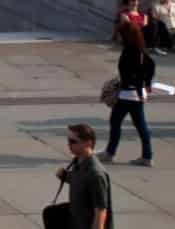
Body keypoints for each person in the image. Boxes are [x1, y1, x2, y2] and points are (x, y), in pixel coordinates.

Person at [104, 16, 154, 165]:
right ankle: (147, 155)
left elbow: (134, 74)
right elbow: (150, 66)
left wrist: (136, 86)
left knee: (115, 121)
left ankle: (110, 152)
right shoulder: (140, 51)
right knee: (141, 125)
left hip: (128, 94)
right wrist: (147, 84)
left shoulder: (128, 53)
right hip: (137, 94)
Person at [55, 122, 112, 229]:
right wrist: (66, 176)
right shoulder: (79, 163)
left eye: (73, 141)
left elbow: (100, 210)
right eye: (68, 141)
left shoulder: (96, 174)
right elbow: (81, 182)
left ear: (88, 143)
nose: (69, 144)